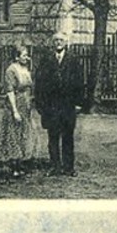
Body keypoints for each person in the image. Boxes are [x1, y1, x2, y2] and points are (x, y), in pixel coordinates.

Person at [33, 32, 87, 176]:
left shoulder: (74, 60)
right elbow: (39, 83)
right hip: (51, 106)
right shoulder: (46, 60)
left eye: (61, 40)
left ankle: (69, 168)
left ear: (66, 42)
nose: (58, 42)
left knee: (68, 136)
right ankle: (55, 166)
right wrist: (41, 105)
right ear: (53, 42)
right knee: (53, 137)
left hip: (68, 105)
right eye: (56, 40)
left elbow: (80, 82)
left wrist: (78, 103)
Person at [0, 44, 35, 177]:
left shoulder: (25, 69)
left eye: (27, 55)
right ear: (16, 57)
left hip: (26, 105)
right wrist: (14, 111)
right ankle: (14, 166)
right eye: (24, 55)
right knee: (14, 134)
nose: (27, 58)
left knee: (24, 134)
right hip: (16, 104)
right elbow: (10, 91)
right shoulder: (11, 70)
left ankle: (23, 163)